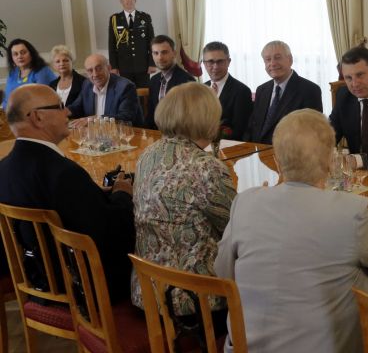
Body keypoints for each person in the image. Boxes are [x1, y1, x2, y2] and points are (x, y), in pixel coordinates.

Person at [215, 109, 368, 353]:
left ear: (276, 161)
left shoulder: (246, 202)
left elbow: (222, 272)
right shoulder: (351, 212)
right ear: (330, 162)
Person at [0, 84, 135, 301]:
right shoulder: (63, 173)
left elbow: (61, 204)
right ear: (37, 117)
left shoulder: (4, 168)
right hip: (83, 291)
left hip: (38, 281)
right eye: (60, 106)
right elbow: (111, 232)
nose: (68, 112)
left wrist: (94, 193)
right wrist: (122, 193)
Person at [131, 83, 235, 317]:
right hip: (196, 302)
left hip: (147, 292)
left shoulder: (147, 155)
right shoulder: (206, 167)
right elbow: (235, 227)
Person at [245, 40, 321, 144]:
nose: (272, 63)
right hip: (256, 151)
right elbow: (252, 127)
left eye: (277, 57)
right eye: (268, 59)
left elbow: (311, 132)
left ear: (290, 60)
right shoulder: (261, 90)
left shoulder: (309, 90)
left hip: (289, 152)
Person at [66, 53, 143, 126]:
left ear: (109, 68)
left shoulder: (125, 86)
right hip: (95, 132)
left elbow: (125, 117)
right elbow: (76, 107)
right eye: (90, 70)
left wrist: (94, 119)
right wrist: (63, 112)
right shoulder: (87, 84)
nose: (95, 74)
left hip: (126, 132)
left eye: (99, 69)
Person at [202, 41, 253, 140]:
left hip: (228, 146)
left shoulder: (242, 91)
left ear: (228, 62)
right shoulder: (201, 89)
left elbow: (240, 130)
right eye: (211, 62)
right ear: (204, 63)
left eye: (220, 61)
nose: (215, 67)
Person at [108, 0, 155, 87]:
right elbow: (111, 45)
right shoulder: (115, 19)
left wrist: (152, 63)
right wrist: (114, 66)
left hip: (143, 65)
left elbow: (152, 42)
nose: (129, 1)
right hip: (123, 67)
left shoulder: (145, 17)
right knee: (126, 92)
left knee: (144, 92)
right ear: (121, 1)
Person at [146, 35, 195, 129]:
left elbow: (189, 118)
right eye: (156, 53)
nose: (160, 57)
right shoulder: (153, 80)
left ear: (174, 53)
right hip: (156, 133)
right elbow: (151, 114)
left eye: (164, 52)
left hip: (178, 133)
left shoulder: (187, 81)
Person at [1, 38, 57, 110]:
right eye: (15, 54)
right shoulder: (13, 73)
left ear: (31, 54)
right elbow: (6, 99)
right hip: (13, 113)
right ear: (12, 58)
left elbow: (41, 100)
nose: (19, 56)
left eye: (23, 52)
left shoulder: (42, 71)